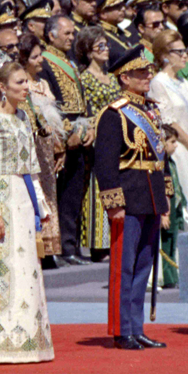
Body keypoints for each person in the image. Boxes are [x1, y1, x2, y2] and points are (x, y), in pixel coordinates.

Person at [0, 60, 54, 363]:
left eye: (27, 82)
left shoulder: (23, 118)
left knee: (25, 265)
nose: (26, 87)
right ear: (2, 87)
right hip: (1, 196)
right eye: (19, 83)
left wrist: (41, 207)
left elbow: (32, 167)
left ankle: (26, 339)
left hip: (23, 196)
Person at [94, 45, 172, 350]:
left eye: (148, 70)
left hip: (150, 197)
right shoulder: (115, 114)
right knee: (123, 267)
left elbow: (159, 160)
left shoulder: (149, 111)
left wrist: (163, 202)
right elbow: (106, 162)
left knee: (143, 267)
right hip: (128, 198)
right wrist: (114, 204)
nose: (147, 75)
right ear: (124, 77)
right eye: (141, 71)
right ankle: (121, 329)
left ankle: (137, 327)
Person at [40, 15, 92, 266]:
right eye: (67, 34)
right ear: (51, 35)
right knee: (58, 194)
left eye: (73, 34)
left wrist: (87, 126)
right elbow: (50, 103)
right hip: (61, 133)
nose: (72, 38)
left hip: (78, 131)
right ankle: (57, 248)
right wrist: (68, 130)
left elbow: (82, 98)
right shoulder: (46, 62)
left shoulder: (69, 61)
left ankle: (70, 245)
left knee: (73, 194)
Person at [75, 26, 121, 261]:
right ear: (88, 51)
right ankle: (98, 243)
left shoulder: (113, 77)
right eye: (100, 46)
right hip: (97, 138)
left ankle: (115, 238)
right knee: (96, 188)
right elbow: (85, 111)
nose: (106, 50)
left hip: (116, 136)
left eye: (106, 45)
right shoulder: (84, 79)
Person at [149, 29, 188, 232]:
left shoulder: (184, 82)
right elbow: (169, 121)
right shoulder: (158, 83)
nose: (184, 56)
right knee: (186, 202)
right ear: (164, 56)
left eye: (185, 51)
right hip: (178, 148)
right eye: (178, 52)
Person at [19, 33, 65, 259]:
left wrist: (59, 146)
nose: (41, 61)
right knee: (35, 193)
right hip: (34, 148)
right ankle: (36, 246)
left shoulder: (43, 83)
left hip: (48, 148)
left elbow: (53, 120)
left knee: (49, 194)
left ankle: (49, 248)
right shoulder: (22, 86)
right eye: (35, 57)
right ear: (24, 59)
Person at [159, 125, 182, 289]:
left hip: (175, 205)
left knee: (173, 241)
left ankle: (173, 275)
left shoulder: (171, 162)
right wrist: (164, 212)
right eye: (172, 141)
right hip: (166, 207)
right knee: (166, 241)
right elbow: (163, 187)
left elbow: (176, 185)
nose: (175, 145)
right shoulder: (161, 163)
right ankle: (167, 276)